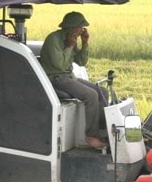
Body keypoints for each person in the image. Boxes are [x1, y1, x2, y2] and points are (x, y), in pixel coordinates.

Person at [39, 11, 108, 149]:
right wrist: (70, 46)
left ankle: (101, 130)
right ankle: (90, 135)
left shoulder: (72, 38)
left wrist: (84, 43)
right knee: (91, 95)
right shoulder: (54, 39)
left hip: (69, 76)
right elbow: (59, 65)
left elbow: (81, 62)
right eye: (80, 27)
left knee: (102, 92)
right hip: (56, 78)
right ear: (71, 27)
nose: (82, 30)